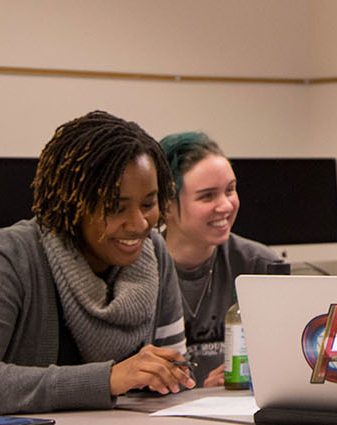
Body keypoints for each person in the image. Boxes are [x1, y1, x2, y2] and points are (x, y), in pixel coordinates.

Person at [0, 111, 194, 414]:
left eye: (148, 204)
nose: (139, 223)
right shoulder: (13, 256)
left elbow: (177, 372)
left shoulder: (154, 252)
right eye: (116, 207)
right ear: (72, 202)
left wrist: (172, 375)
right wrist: (108, 379)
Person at [160, 131, 285, 388]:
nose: (226, 206)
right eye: (207, 196)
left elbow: (287, 361)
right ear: (166, 205)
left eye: (230, 190)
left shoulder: (260, 265)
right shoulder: (137, 271)